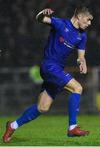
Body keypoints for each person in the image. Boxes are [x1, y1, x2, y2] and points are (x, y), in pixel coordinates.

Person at [3, 6, 93, 143]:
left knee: (42, 107)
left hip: (57, 70)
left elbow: (81, 55)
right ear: (79, 17)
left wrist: (82, 62)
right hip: (49, 66)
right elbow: (40, 18)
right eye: (88, 20)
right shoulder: (61, 24)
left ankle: (12, 125)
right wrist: (42, 13)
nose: (89, 23)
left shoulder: (82, 35)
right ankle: (72, 127)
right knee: (77, 88)